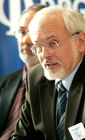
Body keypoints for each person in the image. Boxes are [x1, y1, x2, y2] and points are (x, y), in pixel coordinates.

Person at [11, 6, 85, 140]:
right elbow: (21, 136)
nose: (44, 55)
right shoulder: (35, 77)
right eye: (38, 46)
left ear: (80, 42)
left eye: (53, 43)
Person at [0, 4, 47, 140]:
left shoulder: (61, 86)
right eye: (21, 32)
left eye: (32, 32)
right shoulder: (3, 83)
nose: (25, 40)